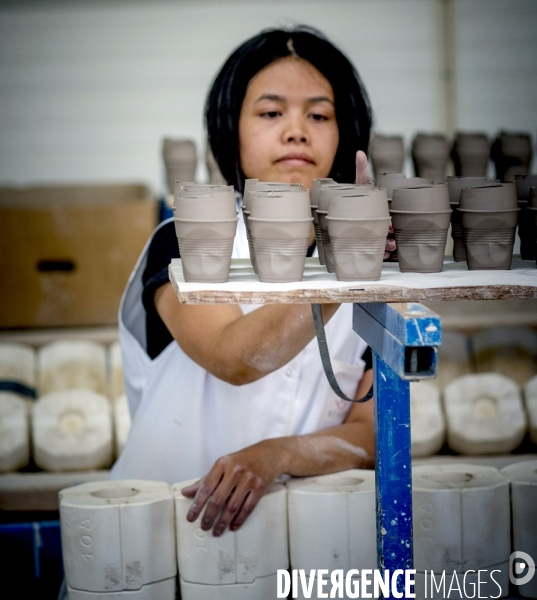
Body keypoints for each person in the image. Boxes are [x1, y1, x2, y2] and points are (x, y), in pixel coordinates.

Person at [110, 26, 393, 538]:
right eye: (270, 112)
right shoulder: (184, 240)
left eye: (318, 114)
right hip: (158, 538)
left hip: (301, 550)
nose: (296, 131)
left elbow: (371, 434)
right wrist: (341, 274)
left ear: (343, 131)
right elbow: (233, 358)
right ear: (230, 131)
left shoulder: (374, 274)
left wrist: (277, 455)